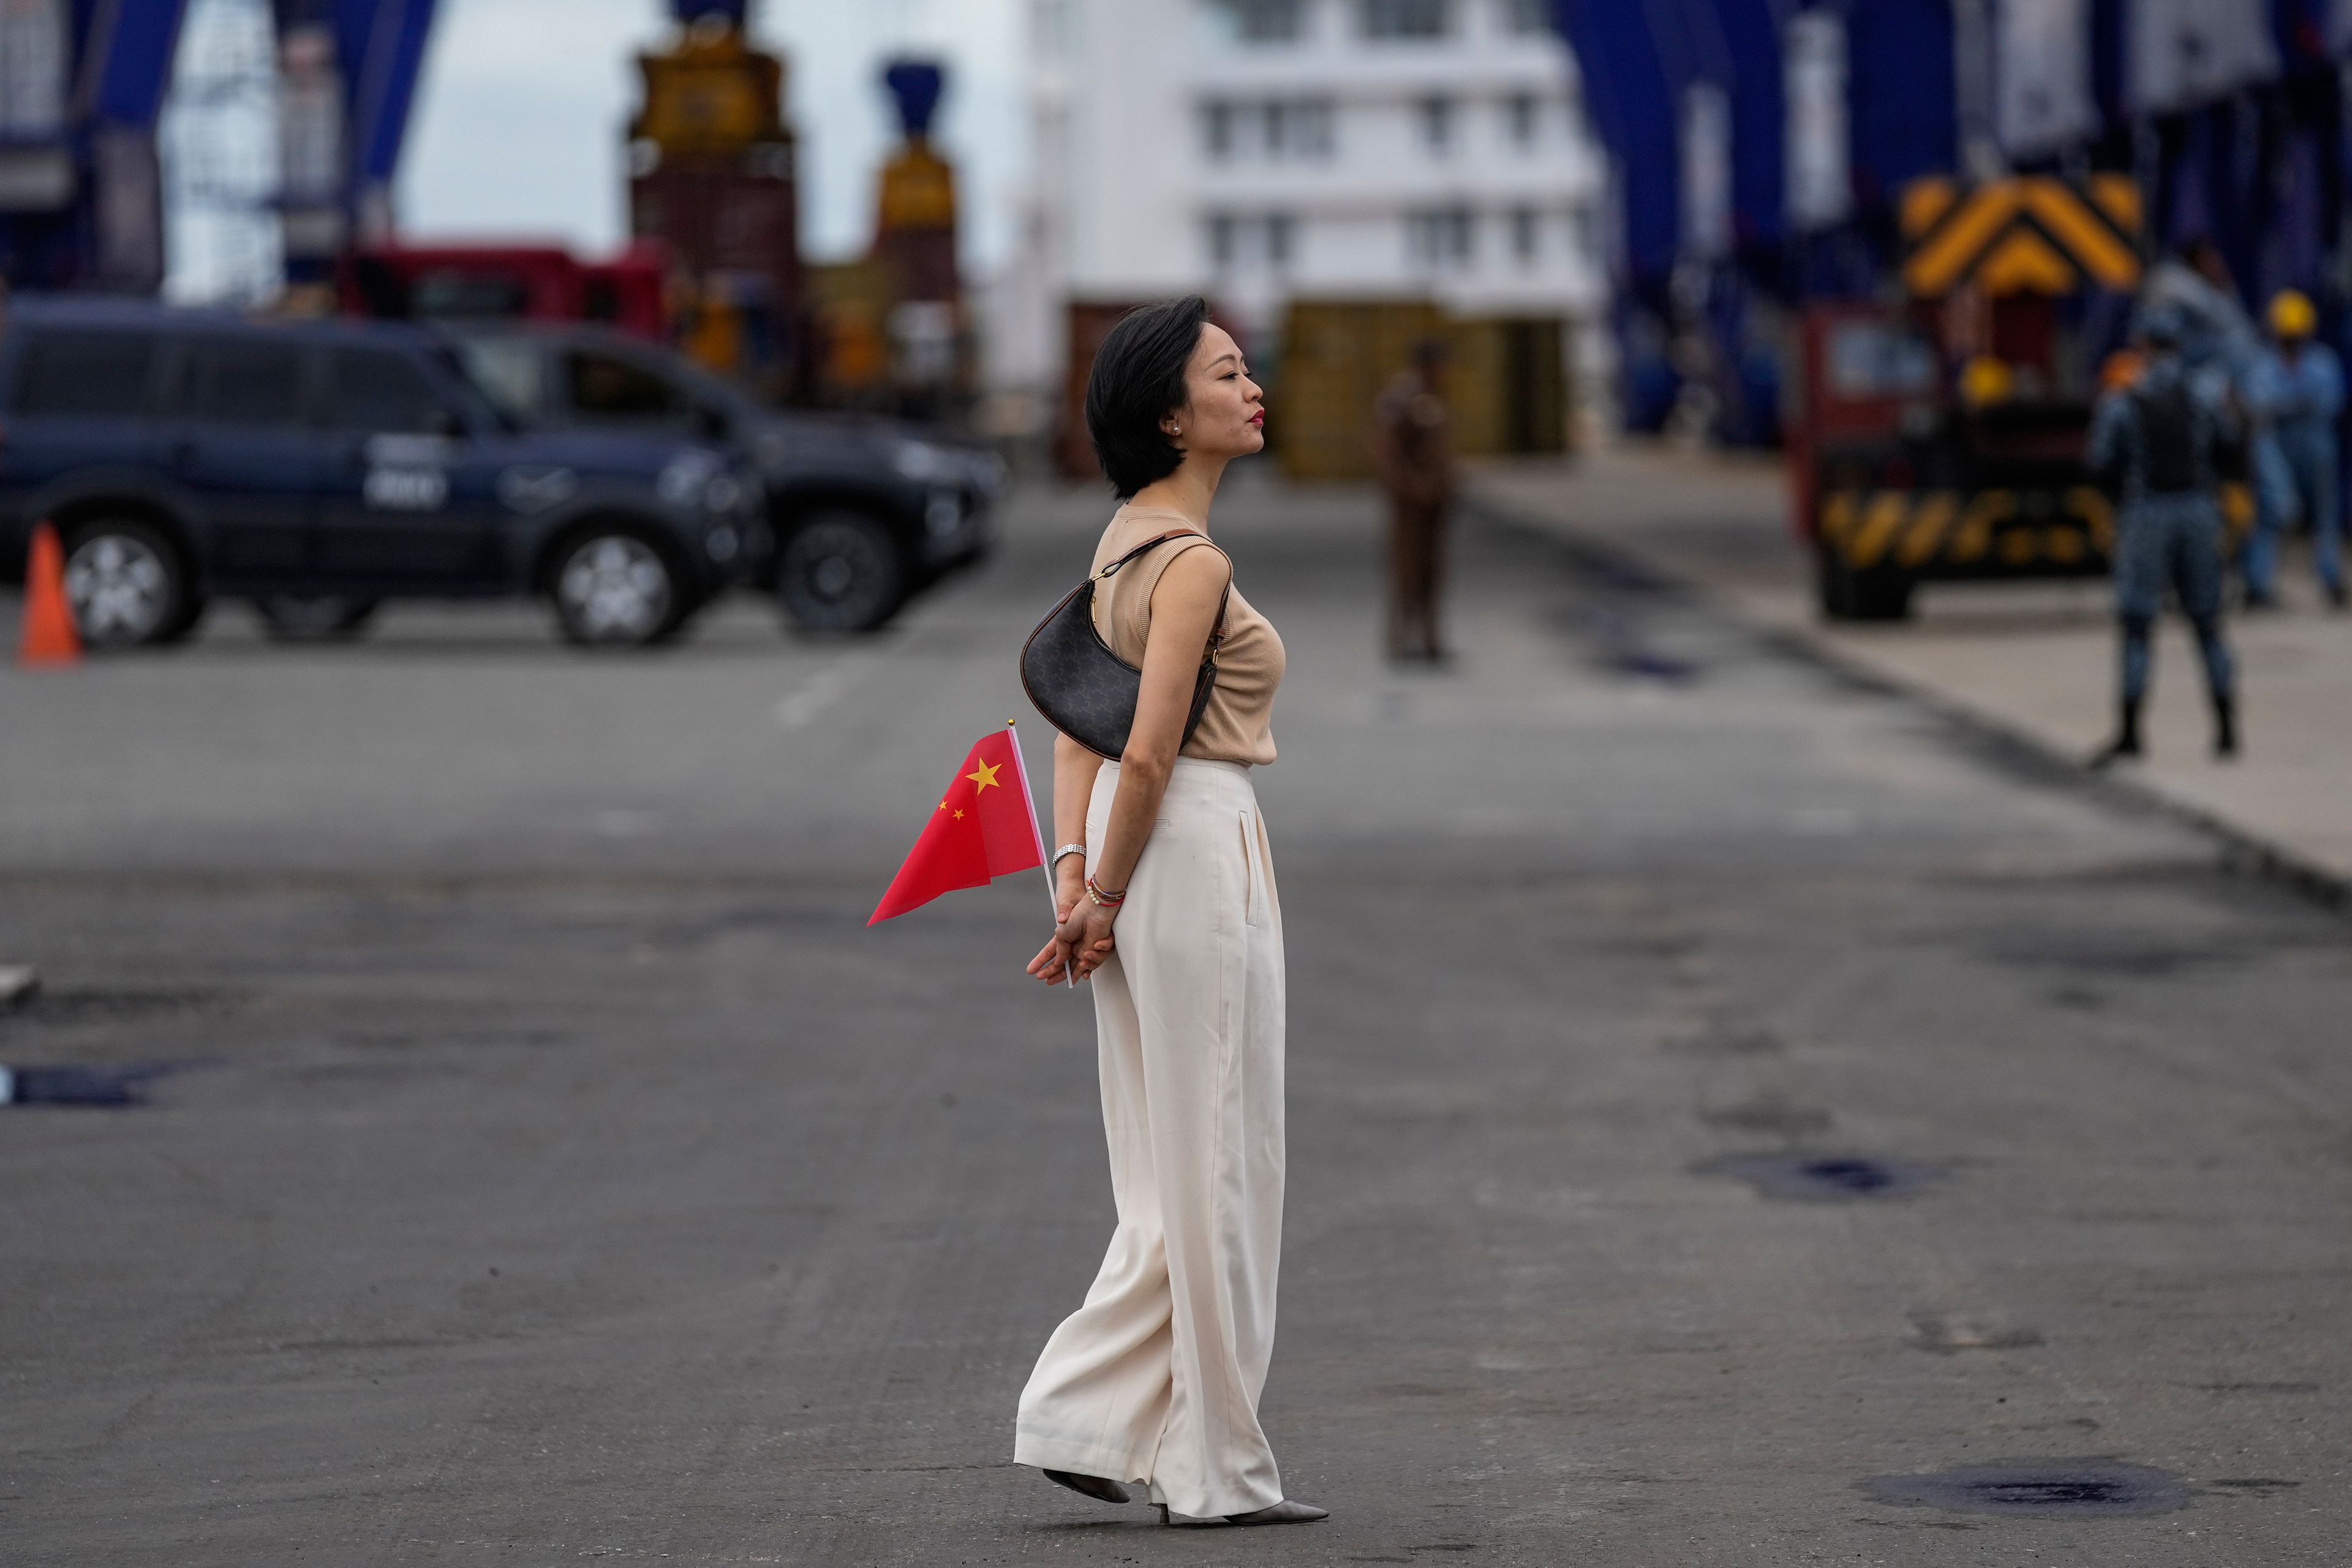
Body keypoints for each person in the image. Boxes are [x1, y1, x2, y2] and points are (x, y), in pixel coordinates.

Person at [1015, 297, 1325, 1529]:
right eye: (1230, 373)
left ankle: (1088, 1414)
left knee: (1166, 1165)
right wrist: (1098, 887)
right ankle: (1213, 1469)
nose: (1254, 389)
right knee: (1221, 1163)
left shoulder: (1121, 539)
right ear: (1168, 413)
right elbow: (1140, 750)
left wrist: (1078, 877)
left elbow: (1071, 729)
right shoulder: (1190, 562)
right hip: (1191, 846)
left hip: (1143, 861)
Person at [2088, 304, 2239, 765]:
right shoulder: (2203, 394)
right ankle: (2227, 733)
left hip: (2147, 512)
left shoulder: (2123, 398)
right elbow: (2229, 444)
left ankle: (2132, 734)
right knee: (2208, 623)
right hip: (2197, 510)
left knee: (2136, 624)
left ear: (2144, 346)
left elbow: (2100, 460)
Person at [2244, 289, 2346, 609]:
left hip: (2316, 446)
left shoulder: (2322, 362)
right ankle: (2259, 584)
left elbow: (2331, 403)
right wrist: (2297, 404)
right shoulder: (2264, 363)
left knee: (2325, 515)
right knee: (2270, 513)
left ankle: (2331, 578)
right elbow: (2257, 405)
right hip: (2277, 446)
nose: (2290, 342)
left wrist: (2284, 406)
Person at [1371, 337, 1454, 660]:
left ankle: (1431, 638)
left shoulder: (1434, 397)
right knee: (1407, 567)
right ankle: (1402, 639)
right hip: (1409, 504)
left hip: (1435, 501)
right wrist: (1410, 484)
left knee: (1433, 569)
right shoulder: (1402, 397)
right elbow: (1385, 449)